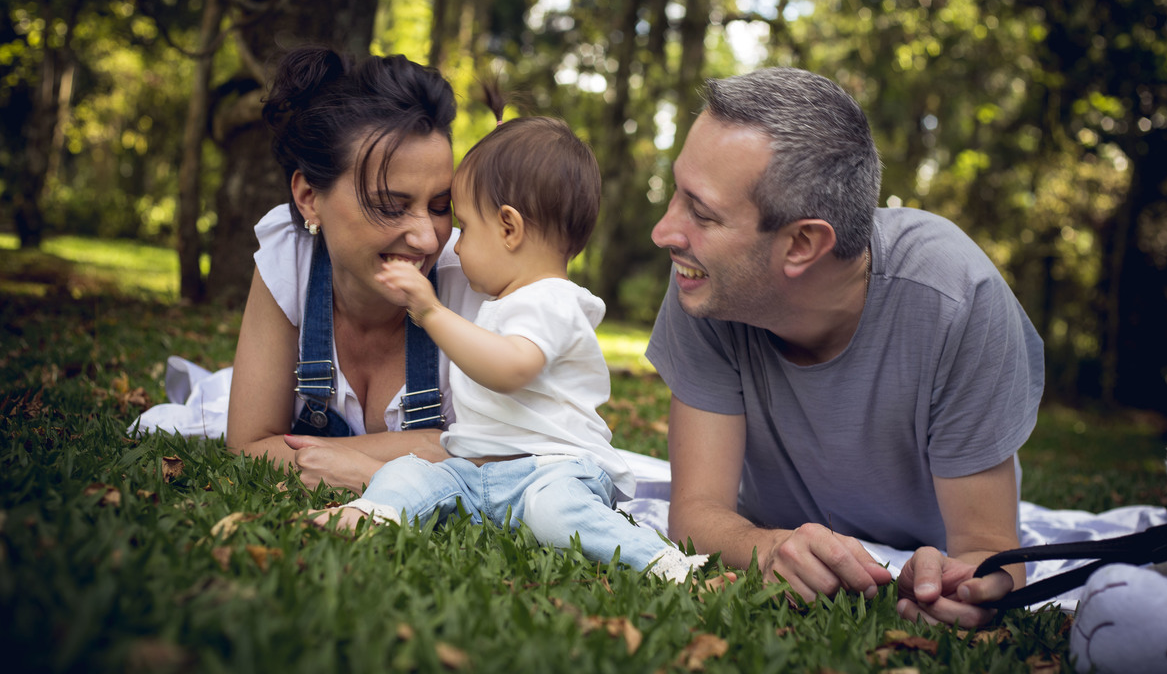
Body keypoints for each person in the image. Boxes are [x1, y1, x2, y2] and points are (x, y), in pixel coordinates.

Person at [646, 68, 1044, 625]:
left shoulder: (957, 299)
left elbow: (990, 553)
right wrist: (767, 548)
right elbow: (696, 513)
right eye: (677, 194)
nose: (665, 231)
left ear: (803, 244)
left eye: (702, 213)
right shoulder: (707, 286)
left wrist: (966, 587)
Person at [310, 112, 710, 583]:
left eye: (466, 228)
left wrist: (430, 311)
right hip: (477, 473)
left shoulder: (554, 301)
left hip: (555, 472)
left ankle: (664, 562)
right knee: (410, 473)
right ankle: (373, 512)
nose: (456, 247)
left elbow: (509, 369)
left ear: (509, 228)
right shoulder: (505, 302)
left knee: (555, 513)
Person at [222, 45, 486, 492]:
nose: (427, 239)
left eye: (441, 206)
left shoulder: (472, 282)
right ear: (309, 198)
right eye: (390, 206)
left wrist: (362, 470)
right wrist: (425, 447)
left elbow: (502, 458)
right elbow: (248, 445)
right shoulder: (290, 257)